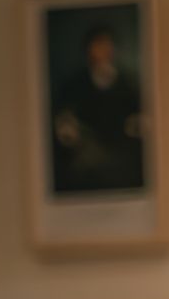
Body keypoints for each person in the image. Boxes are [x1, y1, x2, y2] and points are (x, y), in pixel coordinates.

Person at [50, 21, 145, 195]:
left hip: (122, 151)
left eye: (106, 45)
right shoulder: (74, 84)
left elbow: (140, 118)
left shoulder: (129, 83)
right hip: (87, 152)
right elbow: (65, 119)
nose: (102, 51)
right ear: (88, 50)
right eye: (97, 45)